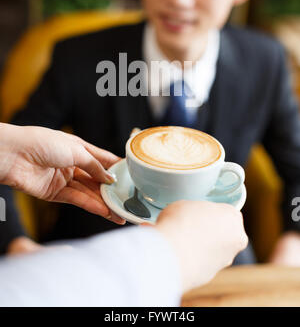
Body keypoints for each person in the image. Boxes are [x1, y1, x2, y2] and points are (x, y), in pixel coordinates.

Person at [1, 0, 300, 265]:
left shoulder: (267, 62)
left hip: (218, 264)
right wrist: (16, 245)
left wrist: (293, 239)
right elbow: (10, 162)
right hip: (97, 259)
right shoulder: (78, 57)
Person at [0, 122, 248, 306]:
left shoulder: (266, 61)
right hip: (86, 251)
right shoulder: (78, 58)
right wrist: (175, 252)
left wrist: (11, 153)